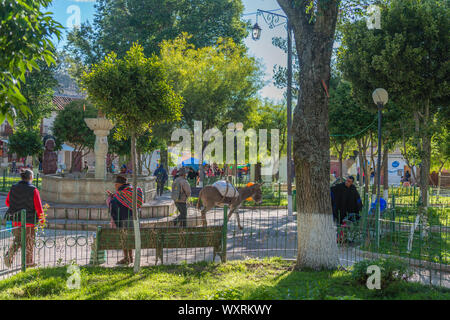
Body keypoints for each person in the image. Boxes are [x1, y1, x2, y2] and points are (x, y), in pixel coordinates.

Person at [3, 169, 44, 268]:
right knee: (29, 241)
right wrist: (42, 220)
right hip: (28, 221)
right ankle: (29, 262)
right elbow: (38, 207)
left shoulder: (13, 188)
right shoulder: (34, 190)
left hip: (14, 220)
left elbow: (7, 202)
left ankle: (9, 255)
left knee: (18, 240)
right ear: (30, 177)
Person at [106, 175, 143, 265]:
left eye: (116, 184)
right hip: (134, 219)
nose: (115, 186)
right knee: (131, 237)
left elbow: (116, 203)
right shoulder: (132, 191)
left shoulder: (120, 193)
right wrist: (113, 196)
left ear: (119, 184)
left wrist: (111, 199)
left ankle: (127, 258)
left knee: (124, 238)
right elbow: (125, 199)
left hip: (124, 219)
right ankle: (130, 257)